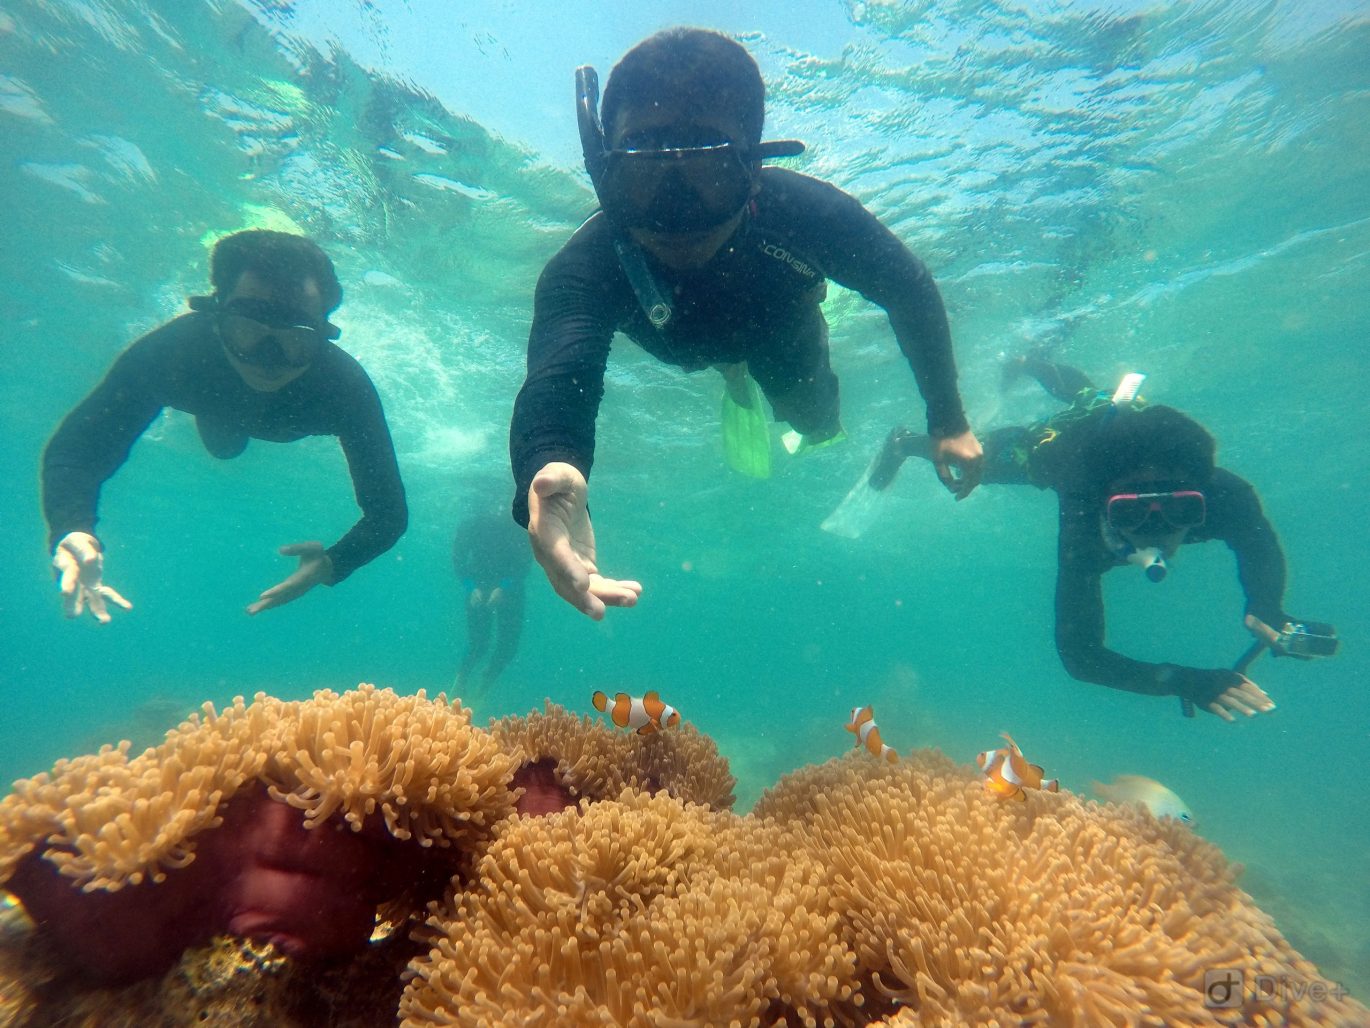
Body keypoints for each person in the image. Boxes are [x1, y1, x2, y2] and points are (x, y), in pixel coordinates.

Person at [509, 27, 983, 620]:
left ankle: (761, 362)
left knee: (817, 421)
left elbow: (906, 288)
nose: (676, 210)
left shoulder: (808, 215)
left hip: (781, 326)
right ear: (607, 172)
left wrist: (948, 419)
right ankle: (734, 375)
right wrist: (550, 468)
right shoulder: (585, 266)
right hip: (681, 344)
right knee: (743, 377)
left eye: (707, 170)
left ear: (754, 171)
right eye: (644, 170)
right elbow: (559, 377)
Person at [872, 353, 1335, 721]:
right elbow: (1079, 657)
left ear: (1202, 499)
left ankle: (1035, 363)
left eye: (1181, 510)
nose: (1157, 528)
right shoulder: (1080, 503)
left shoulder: (1224, 494)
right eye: (1131, 514)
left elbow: (1258, 545)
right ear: (1103, 505)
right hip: (1062, 446)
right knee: (977, 459)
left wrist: (1266, 607)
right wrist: (1183, 680)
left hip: (1109, 434)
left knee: (1092, 395)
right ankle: (904, 440)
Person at [41, 229, 407, 621]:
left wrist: (333, 563)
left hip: (232, 410)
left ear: (323, 336)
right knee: (224, 446)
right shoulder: (174, 353)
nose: (268, 360)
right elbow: (79, 448)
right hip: (215, 409)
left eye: (295, 341)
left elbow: (388, 514)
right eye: (247, 331)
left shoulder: (344, 387)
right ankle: (221, 413)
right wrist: (72, 527)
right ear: (214, 318)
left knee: (227, 447)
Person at [452, 508, 532, 694]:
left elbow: (525, 562)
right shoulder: (472, 524)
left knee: (508, 646)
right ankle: (460, 682)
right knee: (478, 644)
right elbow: (458, 559)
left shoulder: (519, 526)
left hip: (512, 590)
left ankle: (483, 686)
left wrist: (505, 587)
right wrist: (470, 587)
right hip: (478, 586)